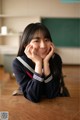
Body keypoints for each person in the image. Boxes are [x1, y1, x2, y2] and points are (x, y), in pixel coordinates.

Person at [12, 22, 62, 103]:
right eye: (36, 41)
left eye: (46, 40)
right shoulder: (18, 63)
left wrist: (46, 63)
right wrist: (38, 64)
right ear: (26, 45)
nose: (43, 45)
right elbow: (33, 96)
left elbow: (52, 94)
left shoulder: (56, 59)